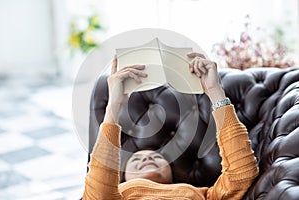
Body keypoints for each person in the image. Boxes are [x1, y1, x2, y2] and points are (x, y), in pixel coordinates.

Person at [82, 52, 259, 199]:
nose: (146, 159)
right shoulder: (117, 195)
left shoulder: (201, 194)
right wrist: (114, 105)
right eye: (135, 160)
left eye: (157, 157)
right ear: (121, 177)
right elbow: (99, 189)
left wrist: (215, 92)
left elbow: (241, 175)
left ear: (172, 172)